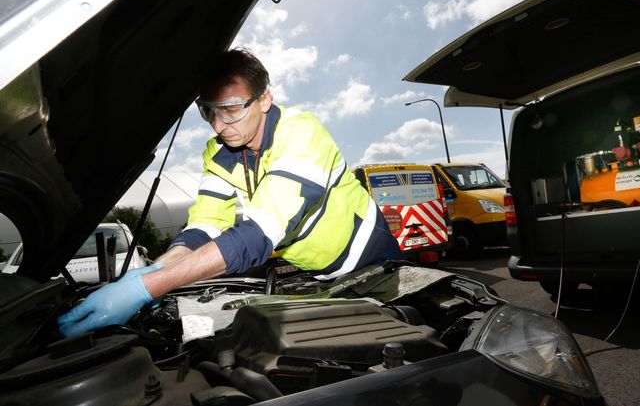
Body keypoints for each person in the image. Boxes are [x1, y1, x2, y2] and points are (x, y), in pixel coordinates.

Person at [58, 48, 403, 337]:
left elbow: (258, 234)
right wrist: (151, 271)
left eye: (232, 109)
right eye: (208, 111)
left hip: (375, 268)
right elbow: (206, 225)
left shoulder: (302, 134)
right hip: (316, 276)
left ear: (264, 98)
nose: (219, 125)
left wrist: (149, 287)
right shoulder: (217, 153)